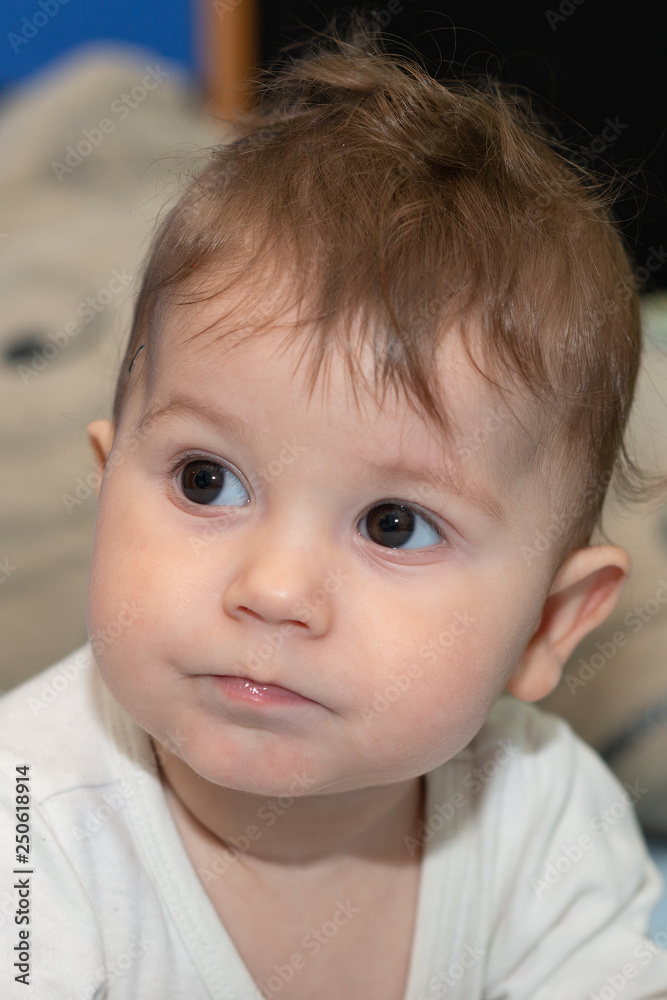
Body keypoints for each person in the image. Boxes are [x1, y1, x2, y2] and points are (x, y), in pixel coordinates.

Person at [2, 16, 667, 999]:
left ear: (546, 623)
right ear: (105, 493)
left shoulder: (545, 825)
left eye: (393, 523)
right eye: (205, 481)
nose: (272, 589)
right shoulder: (31, 817)